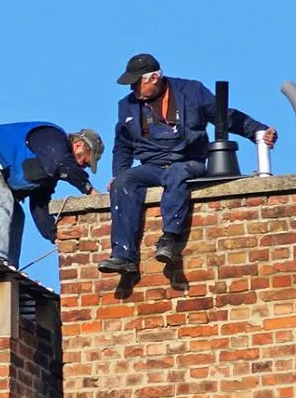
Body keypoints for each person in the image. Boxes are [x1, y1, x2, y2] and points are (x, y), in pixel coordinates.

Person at [98, 54, 278, 273]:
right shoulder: (127, 106)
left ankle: (170, 239)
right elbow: (123, 145)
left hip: (188, 162)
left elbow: (225, 116)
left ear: (154, 78)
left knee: (177, 172)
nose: (133, 89)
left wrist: (258, 131)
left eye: (137, 83)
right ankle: (123, 255)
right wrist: (118, 173)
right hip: (152, 166)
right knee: (123, 182)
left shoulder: (191, 92)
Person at [0, 122, 104, 272]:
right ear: (78, 145)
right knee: (1, 202)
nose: (85, 166)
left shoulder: (50, 171)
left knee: (16, 214)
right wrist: (89, 190)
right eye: (86, 160)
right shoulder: (53, 137)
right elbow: (64, 165)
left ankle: (8, 267)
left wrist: (54, 236)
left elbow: (39, 205)